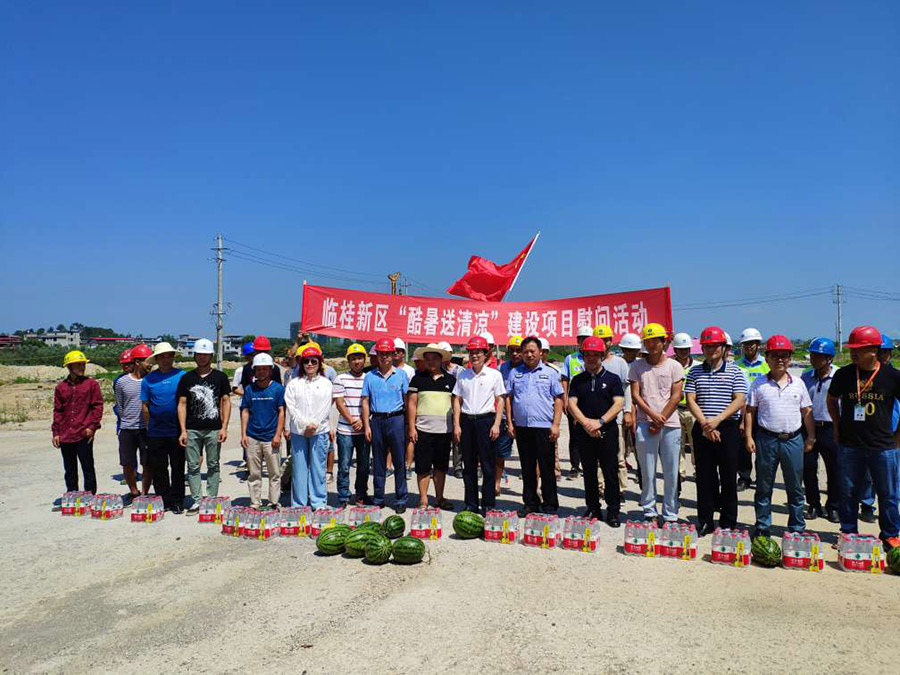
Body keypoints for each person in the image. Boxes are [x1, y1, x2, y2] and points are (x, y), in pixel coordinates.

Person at [827, 325, 900, 551]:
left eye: (858, 349)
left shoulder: (892, 376)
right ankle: (848, 532)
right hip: (850, 444)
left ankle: (890, 535)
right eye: (852, 349)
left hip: (883, 446)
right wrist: (837, 426)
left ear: (874, 350)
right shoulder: (844, 374)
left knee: (888, 494)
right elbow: (831, 400)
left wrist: (898, 436)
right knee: (848, 492)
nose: (853, 353)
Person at [745, 335, 814, 537]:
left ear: (790, 359)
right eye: (775, 355)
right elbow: (750, 411)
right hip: (766, 440)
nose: (780, 359)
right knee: (764, 486)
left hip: (793, 440)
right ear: (767, 358)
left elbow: (807, 411)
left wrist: (811, 437)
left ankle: (796, 527)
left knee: (795, 487)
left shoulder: (798, 383)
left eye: (785, 355)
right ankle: (763, 526)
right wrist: (748, 437)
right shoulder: (758, 384)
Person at [685, 326, 748, 536]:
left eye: (715, 346)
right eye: (707, 346)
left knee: (728, 476)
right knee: (704, 477)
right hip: (702, 428)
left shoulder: (735, 372)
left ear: (724, 348)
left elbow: (739, 399)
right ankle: (705, 520)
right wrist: (705, 423)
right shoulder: (694, 371)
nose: (711, 349)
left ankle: (728, 521)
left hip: (727, 429)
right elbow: (690, 399)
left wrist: (717, 420)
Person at [628, 323, 684, 524]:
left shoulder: (674, 366)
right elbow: (636, 395)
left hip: (670, 425)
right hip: (645, 424)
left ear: (664, 342)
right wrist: (653, 415)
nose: (651, 345)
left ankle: (670, 514)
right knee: (647, 471)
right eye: (648, 341)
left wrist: (660, 419)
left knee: (671, 472)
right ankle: (649, 511)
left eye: (655, 341)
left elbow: (676, 396)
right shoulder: (637, 366)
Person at [567, 336, 625, 526]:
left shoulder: (613, 379)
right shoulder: (577, 380)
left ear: (602, 355)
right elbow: (571, 404)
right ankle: (593, 507)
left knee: (610, 471)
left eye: (595, 354)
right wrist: (586, 424)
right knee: (589, 472)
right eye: (587, 355)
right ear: (583, 356)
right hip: (585, 432)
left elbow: (619, 403)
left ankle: (613, 510)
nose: (591, 358)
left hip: (607, 431)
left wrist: (600, 422)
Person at [506, 336, 564, 517]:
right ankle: (530, 503)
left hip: (544, 427)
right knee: (527, 467)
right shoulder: (515, 373)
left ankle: (550, 505)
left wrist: (556, 424)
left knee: (547, 468)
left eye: (532, 351)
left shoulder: (551, 373)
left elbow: (558, 399)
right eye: (525, 351)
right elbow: (508, 397)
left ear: (540, 352)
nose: (529, 354)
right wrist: (510, 422)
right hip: (522, 427)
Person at [176, 338, 231, 514]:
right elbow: (182, 404)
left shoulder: (220, 377)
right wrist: (183, 430)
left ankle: (211, 499)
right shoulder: (186, 378)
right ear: (194, 355)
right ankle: (196, 500)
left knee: (213, 464)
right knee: (192, 466)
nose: (202, 357)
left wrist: (224, 427)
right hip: (192, 429)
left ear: (211, 356)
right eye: (199, 354)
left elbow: (226, 401)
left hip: (214, 428)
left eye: (205, 354)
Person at [452, 336, 506, 513]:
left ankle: (488, 504)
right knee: (468, 466)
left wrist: (496, 424)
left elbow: (500, 399)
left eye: (478, 352)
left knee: (488, 465)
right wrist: (457, 424)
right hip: (467, 421)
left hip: (486, 421)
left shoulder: (494, 375)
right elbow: (457, 400)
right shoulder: (463, 375)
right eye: (472, 352)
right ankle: (471, 504)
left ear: (485, 354)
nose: (474, 355)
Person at [362, 337, 410, 513]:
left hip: (396, 419)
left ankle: (401, 498)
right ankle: (379, 498)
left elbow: (407, 400)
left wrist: (408, 424)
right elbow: (365, 401)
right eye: (381, 354)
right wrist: (367, 425)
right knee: (378, 461)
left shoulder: (401, 375)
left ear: (393, 355)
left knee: (399, 461)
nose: (384, 357)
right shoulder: (370, 376)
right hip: (377, 420)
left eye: (388, 354)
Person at [409, 343, 456, 509]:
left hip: (444, 431)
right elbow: (412, 404)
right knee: (423, 467)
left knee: (441, 466)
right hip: (423, 430)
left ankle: (440, 498)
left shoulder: (451, 380)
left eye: (434, 358)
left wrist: (456, 426)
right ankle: (423, 499)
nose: (430, 361)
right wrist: (412, 427)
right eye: (427, 358)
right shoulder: (417, 379)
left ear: (441, 360)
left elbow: (456, 405)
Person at [284, 345, 332, 510]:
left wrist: (314, 424)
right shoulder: (294, 383)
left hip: (319, 431)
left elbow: (326, 406)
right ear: (301, 363)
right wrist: (305, 425)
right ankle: (299, 504)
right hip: (299, 431)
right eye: (306, 361)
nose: (310, 364)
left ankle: (319, 502)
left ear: (319, 363)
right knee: (299, 469)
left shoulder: (326, 384)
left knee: (318, 468)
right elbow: (291, 405)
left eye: (313, 361)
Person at [140, 342, 186, 512]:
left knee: (178, 467)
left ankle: (178, 500)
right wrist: (148, 427)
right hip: (155, 431)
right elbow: (145, 406)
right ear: (157, 359)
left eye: (169, 356)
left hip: (177, 430)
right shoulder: (148, 379)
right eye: (162, 357)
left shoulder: (182, 376)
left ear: (173, 357)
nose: (166, 360)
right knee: (159, 468)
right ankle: (164, 500)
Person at [800, 337, 840, 523]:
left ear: (829, 358)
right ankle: (813, 504)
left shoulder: (839, 377)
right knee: (808, 469)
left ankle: (833, 506)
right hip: (809, 428)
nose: (813, 359)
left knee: (835, 470)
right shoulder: (805, 377)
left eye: (818, 356)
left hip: (831, 428)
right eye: (812, 355)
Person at [52, 350, 102, 494]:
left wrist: (92, 427)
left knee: (88, 466)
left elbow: (97, 407)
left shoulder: (91, 385)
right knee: (69, 469)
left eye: (83, 364)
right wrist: (56, 433)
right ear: (69, 366)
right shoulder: (60, 388)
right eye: (78, 364)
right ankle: (72, 495)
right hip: (66, 434)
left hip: (83, 433)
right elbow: (58, 411)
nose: (82, 367)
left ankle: (90, 495)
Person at [240, 353, 285, 510]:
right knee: (254, 473)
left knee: (274, 473)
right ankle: (255, 502)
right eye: (258, 369)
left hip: (271, 437)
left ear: (270, 370)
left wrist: (278, 434)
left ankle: (273, 502)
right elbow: (245, 411)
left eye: (265, 369)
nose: (261, 372)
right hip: (253, 436)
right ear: (254, 371)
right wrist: (243, 434)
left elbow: (281, 412)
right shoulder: (249, 389)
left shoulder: (278, 389)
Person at [595, 325, 634, 494]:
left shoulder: (620, 363)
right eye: (600, 340)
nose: (603, 343)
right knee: (598, 458)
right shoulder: (591, 362)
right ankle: (600, 487)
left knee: (619, 456)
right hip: (595, 418)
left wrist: (627, 411)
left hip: (616, 418)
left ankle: (620, 489)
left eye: (606, 340)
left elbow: (627, 388)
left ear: (611, 341)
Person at [333, 343, 372, 506]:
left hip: (364, 430)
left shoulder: (369, 378)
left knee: (363, 466)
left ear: (365, 360)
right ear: (348, 361)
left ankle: (361, 494)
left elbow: (371, 402)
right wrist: (352, 421)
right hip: (345, 430)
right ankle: (343, 495)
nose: (357, 361)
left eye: (360, 358)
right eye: (353, 358)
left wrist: (363, 421)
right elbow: (339, 403)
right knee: (344, 465)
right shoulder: (340, 378)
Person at [735, 328, 769, 492]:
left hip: (762, 412)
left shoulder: (766, 365)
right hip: (743, 412)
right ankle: (744, 477)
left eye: (752, 343)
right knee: (743, 448)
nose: (748, 347)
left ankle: (762, 478)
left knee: (762, 447)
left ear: (758, 344)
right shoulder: (736, 366)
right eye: (745, 344)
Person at [114, 346, 150, 501]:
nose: (150, 364)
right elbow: (120, 406)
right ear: (137, 362)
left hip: (146, 429)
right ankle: (133, 491)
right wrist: (127, 420)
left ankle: (144, 493)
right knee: (127, 463)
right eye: (146, 360)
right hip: (127, 429)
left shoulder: (152, 380)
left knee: (148, 463)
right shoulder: (121, 382)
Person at [560, 325, 593, 480]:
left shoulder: (596, 356)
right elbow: (565, 379)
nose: (584, 341)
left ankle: (591, 464)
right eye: (582, 339)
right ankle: (575, 466)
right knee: (575, 435)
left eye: (587, 338)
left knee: (592, 433)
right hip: (574, 402)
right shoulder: (570, 359)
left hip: (592, 401)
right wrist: (565, 399)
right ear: (578, 341)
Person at [495, 335, 523, 491]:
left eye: (518, 350)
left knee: (530, 455)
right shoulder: (502, 368)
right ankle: (497, 483)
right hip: (505, 417)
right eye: (512, 350)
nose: (515, 354)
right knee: (500, 452)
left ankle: (533, 487)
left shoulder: (528, 368)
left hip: (523, 418)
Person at [671, 332, 698, 487]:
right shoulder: (670, 365)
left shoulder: (698, 366)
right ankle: (679, 473)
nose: (683, 352)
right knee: (677, 444)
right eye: (680, 349)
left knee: (696, 443)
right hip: (675, 409)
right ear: (675, 350)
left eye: (686, 349)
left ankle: (698, 470)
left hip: (693, 409)